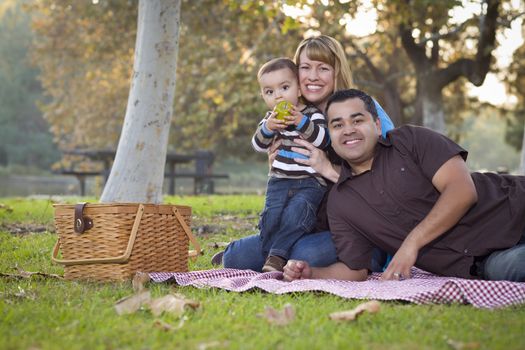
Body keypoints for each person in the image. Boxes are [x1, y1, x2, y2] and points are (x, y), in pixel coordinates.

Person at [283, 89, 525, 282]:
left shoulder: (411, 140)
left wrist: (411, 243)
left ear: (377, 125)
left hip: (514, 208)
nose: (349, 130)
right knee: (515, 268)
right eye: (337, 125)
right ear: (331, 137)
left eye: (357, 120)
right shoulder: (342, 201)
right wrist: (312, 274)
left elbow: (462, 191)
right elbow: (355, 270)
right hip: (486, 261)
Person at [212, 35, 394, 272]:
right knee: (237, 258)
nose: (313, 76)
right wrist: (277, 165)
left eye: (323, 68)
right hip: (313, 224)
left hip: (357, 228)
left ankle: (362, 259)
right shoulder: (291, 117)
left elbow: (385, 181)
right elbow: (265, 146)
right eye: (305, 68)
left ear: (337, 71)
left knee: (302, 253)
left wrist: (327, 168)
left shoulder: (358, 108)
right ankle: (258, 252)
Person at [251, 57, 330, 272]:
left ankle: (275, 257)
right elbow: (258, 144)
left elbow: (324, 140)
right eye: (269, 92)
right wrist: (268, 127)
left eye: (284, 88)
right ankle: (268, 256)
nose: (278, 96)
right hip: (278, 180)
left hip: (309, 181)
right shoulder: (270, 119)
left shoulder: (312, 115)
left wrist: (300, 122)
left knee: (296, 215)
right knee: (270, 218)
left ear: (298, 89)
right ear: (263, 96)